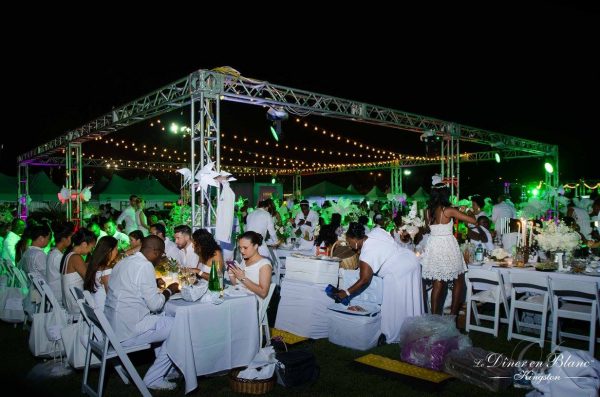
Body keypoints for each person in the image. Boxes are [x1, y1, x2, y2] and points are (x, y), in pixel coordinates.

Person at [105, 235, 180, 391]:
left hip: (112, 327)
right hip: (128, 331)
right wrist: (169, 290)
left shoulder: (123, 262)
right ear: (154, 251)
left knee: (165, 320)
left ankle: (170, 369)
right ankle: (155, 378)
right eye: (162, 254)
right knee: (179, 327)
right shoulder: (145, 266)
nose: (162, 258)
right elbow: (155, 305)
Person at [338, 222, 423, 344]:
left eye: (349, 241)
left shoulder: (366, 253)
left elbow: (364, 280)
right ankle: (414, 329)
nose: (349, 245)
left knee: (394, 304)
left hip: (398, 271)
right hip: (411, 260)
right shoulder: (376, 232)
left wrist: (346, 292)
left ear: (355, 239)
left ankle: (391, 333)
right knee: (410, 299)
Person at [421, 183, 476, 322]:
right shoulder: (448, 210)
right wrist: (468, 211)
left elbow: (428, 229)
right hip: (447, 245)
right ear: (445, 194)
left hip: (434, 245)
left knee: (437, 282)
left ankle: (433, 318)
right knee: (459, 280)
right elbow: (473, 221)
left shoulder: (427, 211)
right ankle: (453, 317)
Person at [61, 228, 97, 317]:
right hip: (75, 304)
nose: (90, 251)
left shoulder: (69, 255)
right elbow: (88, 278)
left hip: (69, 301)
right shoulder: (76, 257)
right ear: (84, 244)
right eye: (91, 247)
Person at [228, 231, 272, 300]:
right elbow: (237, 286)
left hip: (253, 303)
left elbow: (263, 293)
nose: (242, 251)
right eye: (240, 247)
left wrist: (243, 278)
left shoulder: (264, 265)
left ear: (255, 246)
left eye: (245, 248)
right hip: (241, 298)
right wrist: (231, 275)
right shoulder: (244, 260)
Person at [83, 236, 118, 310]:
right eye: (116, 248)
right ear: (109, 250)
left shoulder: (93, 265)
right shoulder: (106, 271)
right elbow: (111, 297)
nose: (117, 251)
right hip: (102, 311)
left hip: (94, 307)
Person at [46, 221, 75, 303]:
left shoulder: (52, 252)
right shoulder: (58, 257)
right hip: (58, 297)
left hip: (53, 293)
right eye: (70, 237)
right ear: (64, 239)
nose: (71, 240)